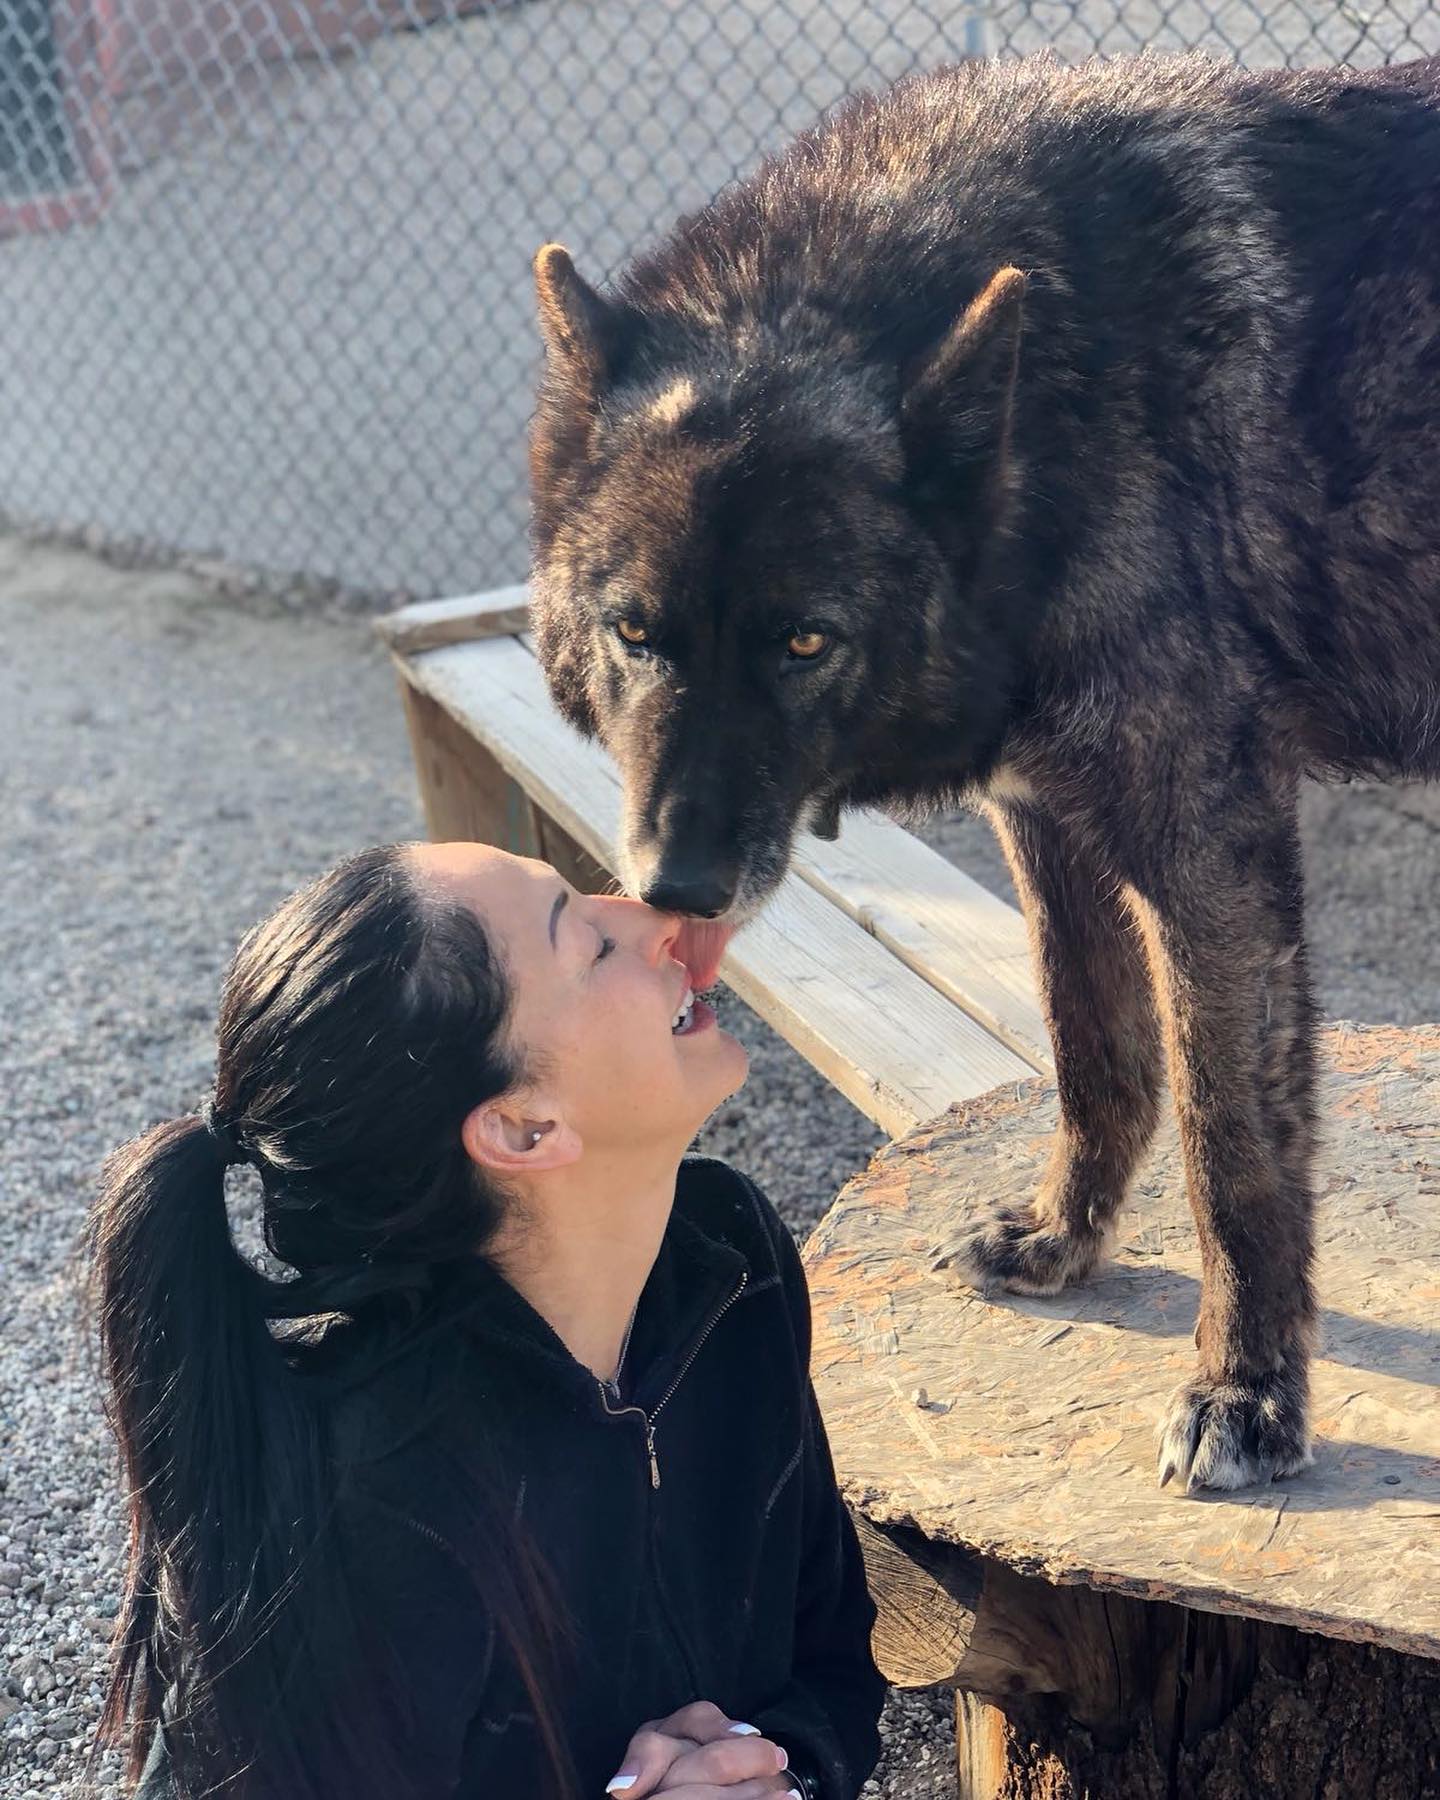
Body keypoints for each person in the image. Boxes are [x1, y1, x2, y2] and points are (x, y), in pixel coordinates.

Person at [89, 840, 885, 1799]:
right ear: (523, 1129)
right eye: (586, 941)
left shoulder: (731, 1261)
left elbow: (833, 1659)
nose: (655, 916)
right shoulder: (370, 1503)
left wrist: (776, 1772)